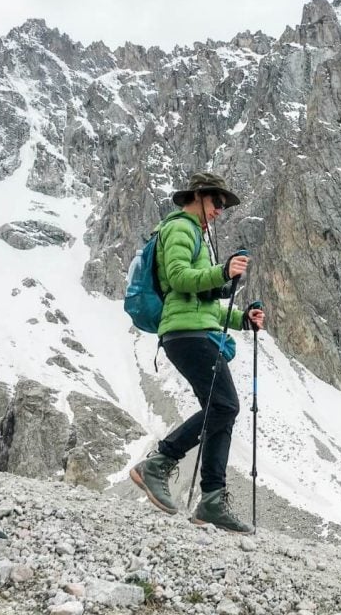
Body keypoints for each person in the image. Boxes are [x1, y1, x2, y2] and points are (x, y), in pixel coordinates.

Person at [129, 171, 265, 534]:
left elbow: (201, 304)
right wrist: (222, 271)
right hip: (185, 334)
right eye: (217, 202)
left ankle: (212, 501)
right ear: (199, 196)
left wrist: (242, 320)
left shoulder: (196, 235)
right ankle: (158, 463)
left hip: (193, 329)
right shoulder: (180, 228)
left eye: (223, 205)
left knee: (220, 410)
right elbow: (177, 279)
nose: (221, 210)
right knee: (224, 406)